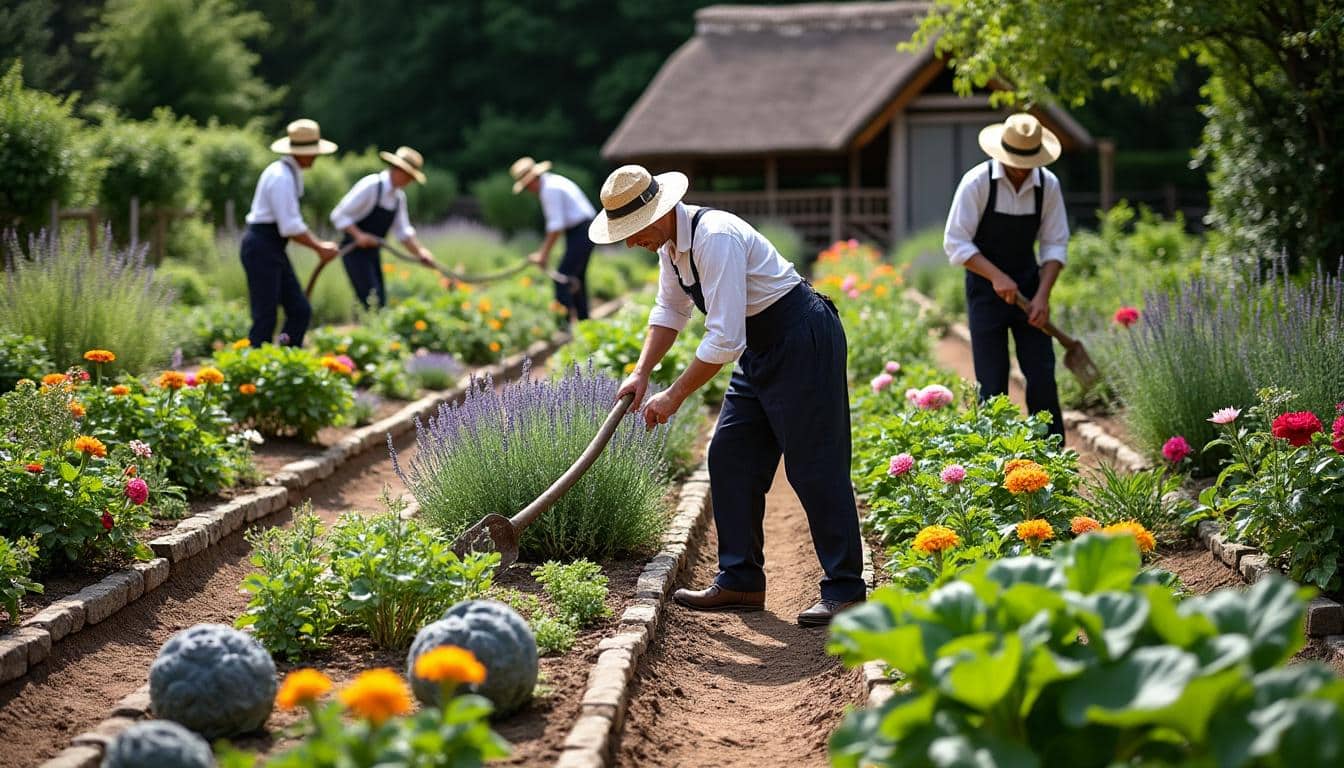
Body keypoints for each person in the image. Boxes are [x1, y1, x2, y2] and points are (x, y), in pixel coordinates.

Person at [590, 165, 866, 627]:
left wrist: (673, 396)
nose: (629, 243)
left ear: (656, 215)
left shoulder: (714, 237)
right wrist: (641, 372)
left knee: (814, 464)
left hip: (801, 338)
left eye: (632, 231)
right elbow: (670, 309)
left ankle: (846, 590)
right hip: (760, 346)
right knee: (731, 454)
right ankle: (740, 579)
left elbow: (722, 339)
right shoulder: (672, 247)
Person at [943, 113, 1069, 440]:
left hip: (1030, 290)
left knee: (1041, 376)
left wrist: (1043, 295)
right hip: (986, 293)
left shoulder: (1048, 187)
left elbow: (1055, 245)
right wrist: (996, 276)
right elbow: (955, 242)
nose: (1021, 168)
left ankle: (1051, 454)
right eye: (1016, 161)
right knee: (992, 382)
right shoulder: (977, 183)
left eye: (1029, 162)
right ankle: (996, 460)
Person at [241, 118, 340, 348]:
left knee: (299, 310)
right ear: (301, 152)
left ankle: (285, 356)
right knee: (265, 316)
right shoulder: (281, 177)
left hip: (272, 247)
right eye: (313, 152)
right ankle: (255, 373)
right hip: (261, 247)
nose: (316, 156)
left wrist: (319, 246)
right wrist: (319, 247)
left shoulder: (290, 173)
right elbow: (290, 226)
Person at [330, 146, 436, 310]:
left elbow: (403, 232)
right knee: (372, 299)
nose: (409, 181)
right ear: (398, 170)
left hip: (372, 252)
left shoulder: (398, 198)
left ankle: (366, 329)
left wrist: (421, 252)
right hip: (353, 250)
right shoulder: (372, 186)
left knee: (378, 299)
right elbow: (338, 215)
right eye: (409, 176)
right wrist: (359, 236)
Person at [510, 156, 597, 321]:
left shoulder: (549, 189)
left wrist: (543, 254)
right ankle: (584, 320)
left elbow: (555, 226)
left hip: (582, 231)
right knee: (575, 278)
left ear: (532, 180)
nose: (529, 191)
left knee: (562, 279)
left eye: (527, 186)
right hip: (583, 230)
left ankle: (564, 326)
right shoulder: (553, 182)